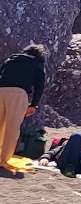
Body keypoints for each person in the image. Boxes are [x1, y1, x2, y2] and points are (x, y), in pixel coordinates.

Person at [0, 43, 47, 175]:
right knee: (12, 128)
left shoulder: (11, 60)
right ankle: (3, 160)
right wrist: (34, 104)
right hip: (19, 93)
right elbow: (39, 86)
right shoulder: (37, 65)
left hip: (1, 90)